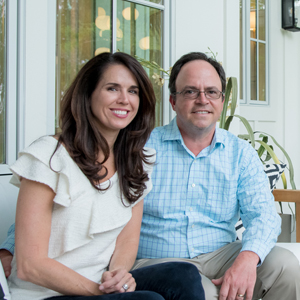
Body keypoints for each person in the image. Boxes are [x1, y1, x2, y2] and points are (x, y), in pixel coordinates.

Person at [0, 52, 205, 300]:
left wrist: (119, 275)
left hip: (100, 286)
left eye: (133, 91)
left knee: (184, 274)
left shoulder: (137, 162)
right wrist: (99, 292)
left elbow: (128, 241)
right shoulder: (48, 157)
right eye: (112, 88)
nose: (124, 100)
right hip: (44, 294)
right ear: (88, 95)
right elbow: (30, 265)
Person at [131, 52, 300, 300]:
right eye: (190, 92)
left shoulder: (240, 153)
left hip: (219, 254)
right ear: (173, 101)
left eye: (211, 92)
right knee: (202, 290)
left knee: (286, 266)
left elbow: (263, 215)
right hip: (158, 259)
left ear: (221, 100)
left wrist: (247, 258)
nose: (203, 100)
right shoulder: (142, 148)